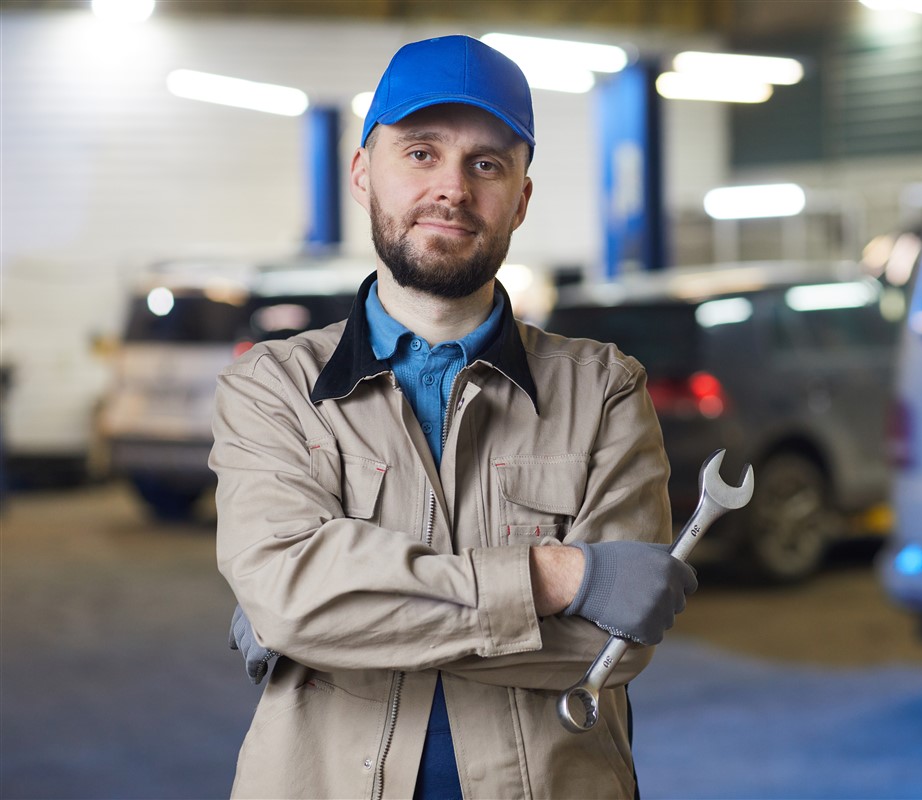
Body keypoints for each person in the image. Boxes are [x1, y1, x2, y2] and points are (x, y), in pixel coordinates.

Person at [213, 34, 697, 800]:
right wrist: (555, 576)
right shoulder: (272, 387)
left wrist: (334, 624)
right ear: (362, 174)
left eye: (487, 163)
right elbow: (289, 601)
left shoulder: (604, 389)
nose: (453, 189)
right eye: (420, 153)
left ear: (522, 197)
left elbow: (611, 646)